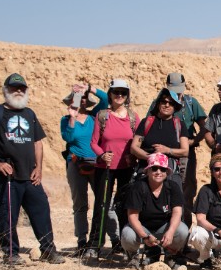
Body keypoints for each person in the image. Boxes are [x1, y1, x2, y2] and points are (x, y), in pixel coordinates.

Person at [0, 72, 66, 265]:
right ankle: (11, 254)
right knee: (8, 215)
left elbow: (38, 143)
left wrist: (39, 169)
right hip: (8, 176)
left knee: (41, 210)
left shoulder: (29, 114)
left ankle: (48, 250)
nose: (18, 91)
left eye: (22, 88)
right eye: (14, 88)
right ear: (6, 90)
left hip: (30, 175)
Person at [86, 79, 140, 260]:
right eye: (116, 92)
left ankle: (127, 245)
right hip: (105, 167)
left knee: (125, 206)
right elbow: (93, 142)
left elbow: (139, 141)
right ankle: (95, 244)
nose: (119, 96)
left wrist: (133, 156)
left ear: (127, 96)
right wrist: (101, 155)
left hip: (126, 168)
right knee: (101, 205)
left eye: (123, 93)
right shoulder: (102, 116)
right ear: (110, 94)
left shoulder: (133, 117)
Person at [60, 84, 107, 255]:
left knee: (103, 202)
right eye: (77, 98)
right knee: (80, 204)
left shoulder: (95, 117)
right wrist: (72, 118)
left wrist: (90, 88)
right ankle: (81, 240)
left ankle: (111, 238)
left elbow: (107, 99)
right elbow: (69, 137)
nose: (81, 101)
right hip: (75, 164)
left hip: (97, 163)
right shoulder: (65, 120)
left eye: (83, 98)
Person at [120, 152, 189, 269]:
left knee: (182, 230)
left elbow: (177, 212)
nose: (158, 172)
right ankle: (133, 257)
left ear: (167, 172)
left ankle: (170, 256)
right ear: (147, 171)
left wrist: (170, 232)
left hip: (163, 227)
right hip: (142, 227)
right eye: (154, 168)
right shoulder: (138, 187)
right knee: (127, 234)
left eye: (162, 169)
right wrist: (145, 236)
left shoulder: (173, 187)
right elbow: (132, 216)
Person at [162, 73, 207, 227]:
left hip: (187, 156)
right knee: (166, 191)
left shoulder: (190, 103)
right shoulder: (161, 103)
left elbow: (205, 127)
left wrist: (193, 141)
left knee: (187, 193)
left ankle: (184, 233)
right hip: (165, 155)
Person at [130, 88, 191, 188]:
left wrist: (167, 150)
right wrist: (151, 158)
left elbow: (185, 151)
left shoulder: (179, 125)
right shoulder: (147, 122)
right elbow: (134, 147)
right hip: (146, 169)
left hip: (170, 172)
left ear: (175, 107)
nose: (167, 105)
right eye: (164, 102)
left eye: (171, 103)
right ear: (158, 104)